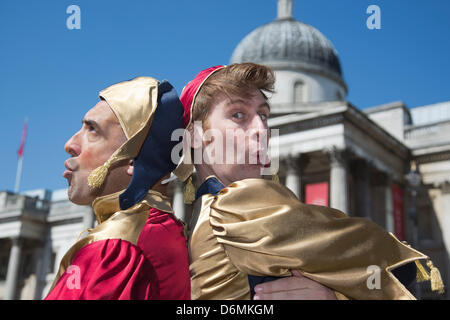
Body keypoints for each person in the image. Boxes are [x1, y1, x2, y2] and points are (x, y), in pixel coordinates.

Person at [174, 63, 444, 300]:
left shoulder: (202, 212)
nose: (262, 129)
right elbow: (397, 268)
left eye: (264, 115)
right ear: (196, 137)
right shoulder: (232, 209)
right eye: (238, 115)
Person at [45, 77, 191, 299]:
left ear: (133, 160)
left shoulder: (117, 247)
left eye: (92, 130)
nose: (70, 144)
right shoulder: (158, 231)